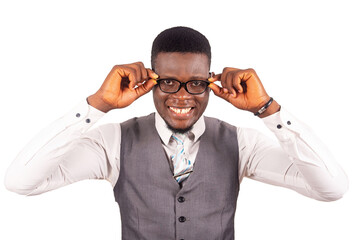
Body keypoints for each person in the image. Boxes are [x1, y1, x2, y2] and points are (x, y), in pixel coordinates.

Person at [4, 26, 348, 240]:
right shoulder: (113, 142)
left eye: (196, 83)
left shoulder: (242, 143)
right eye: (168, 82)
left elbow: (332, 189)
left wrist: (268, 109)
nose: (182, 95)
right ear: (150, 81)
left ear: (211, 83)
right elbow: (20, 181)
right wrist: (97, 104)